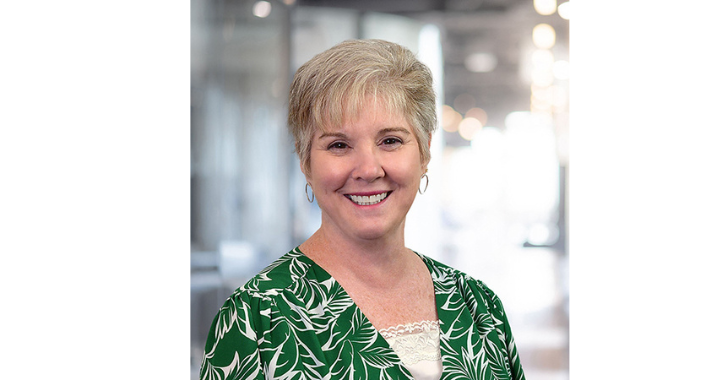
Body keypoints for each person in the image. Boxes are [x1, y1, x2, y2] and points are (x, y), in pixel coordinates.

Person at [200, 39, 525, 380]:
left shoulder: (477, 306)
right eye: (339, 145)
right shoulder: (256, 319)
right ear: (305, 160)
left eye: (390, 141)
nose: (368, 169)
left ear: (425, 151)